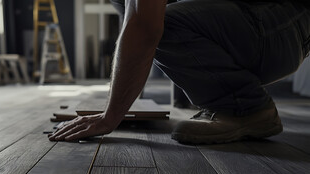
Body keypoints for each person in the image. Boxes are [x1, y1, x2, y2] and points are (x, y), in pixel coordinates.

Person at [49, 0, 310, 144]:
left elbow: (145, 25)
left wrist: (109, 117)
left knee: (164, 23)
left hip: (283, 23)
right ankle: (202, 95)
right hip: (268, 21)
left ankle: (244, 107)